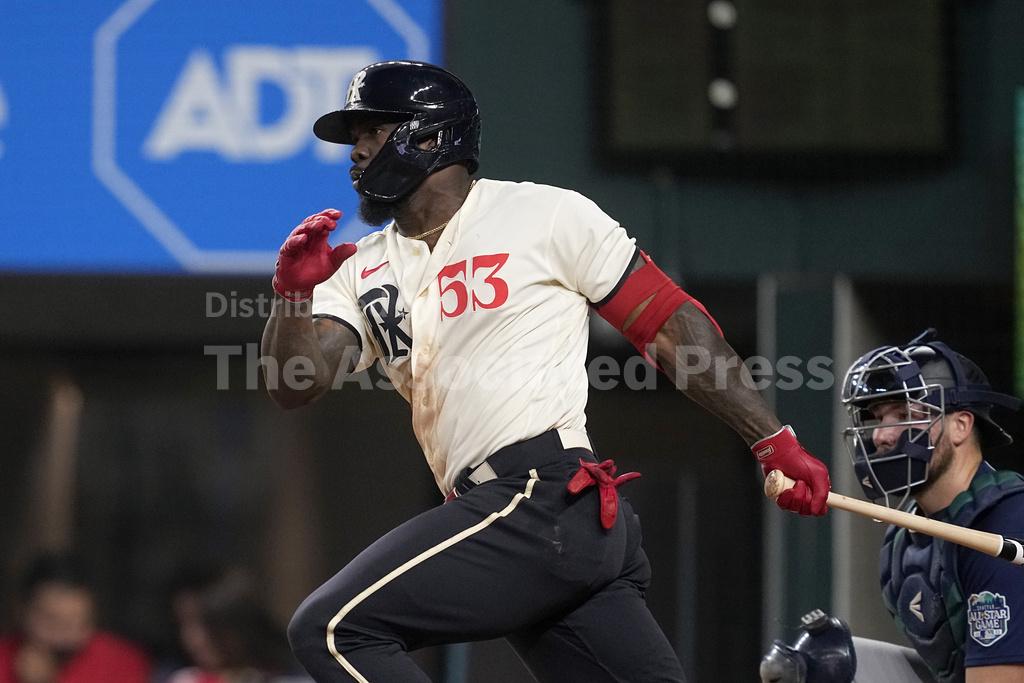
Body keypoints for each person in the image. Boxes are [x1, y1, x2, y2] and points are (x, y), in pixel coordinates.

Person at [262, 60, 831, 682]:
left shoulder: (543, 214)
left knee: (332, 629)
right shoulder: (359, 265)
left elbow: (669, 325)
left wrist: (772, 440)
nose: (356, 151)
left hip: (541, 496)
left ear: (431, 135)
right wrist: (293, 296)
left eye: (373, 130)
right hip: (521, 522)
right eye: (354, 137)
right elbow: (296, 383)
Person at [841, 330, 1024, 683]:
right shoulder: (906, 538)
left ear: (960, 426)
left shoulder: (1005, 522)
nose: (882, 435)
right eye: (879, 417)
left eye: (904, 414)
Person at [0, 552, 151, 683]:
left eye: (77, 624)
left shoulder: (121, 662)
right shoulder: (4, 658)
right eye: (51, 622)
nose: (62, 637)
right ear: (21, 611)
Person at [163, 569, 309, 683]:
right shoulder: (187, 679)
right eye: (186, 623)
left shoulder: (296, 677)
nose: (197, 639)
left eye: (215, 627)